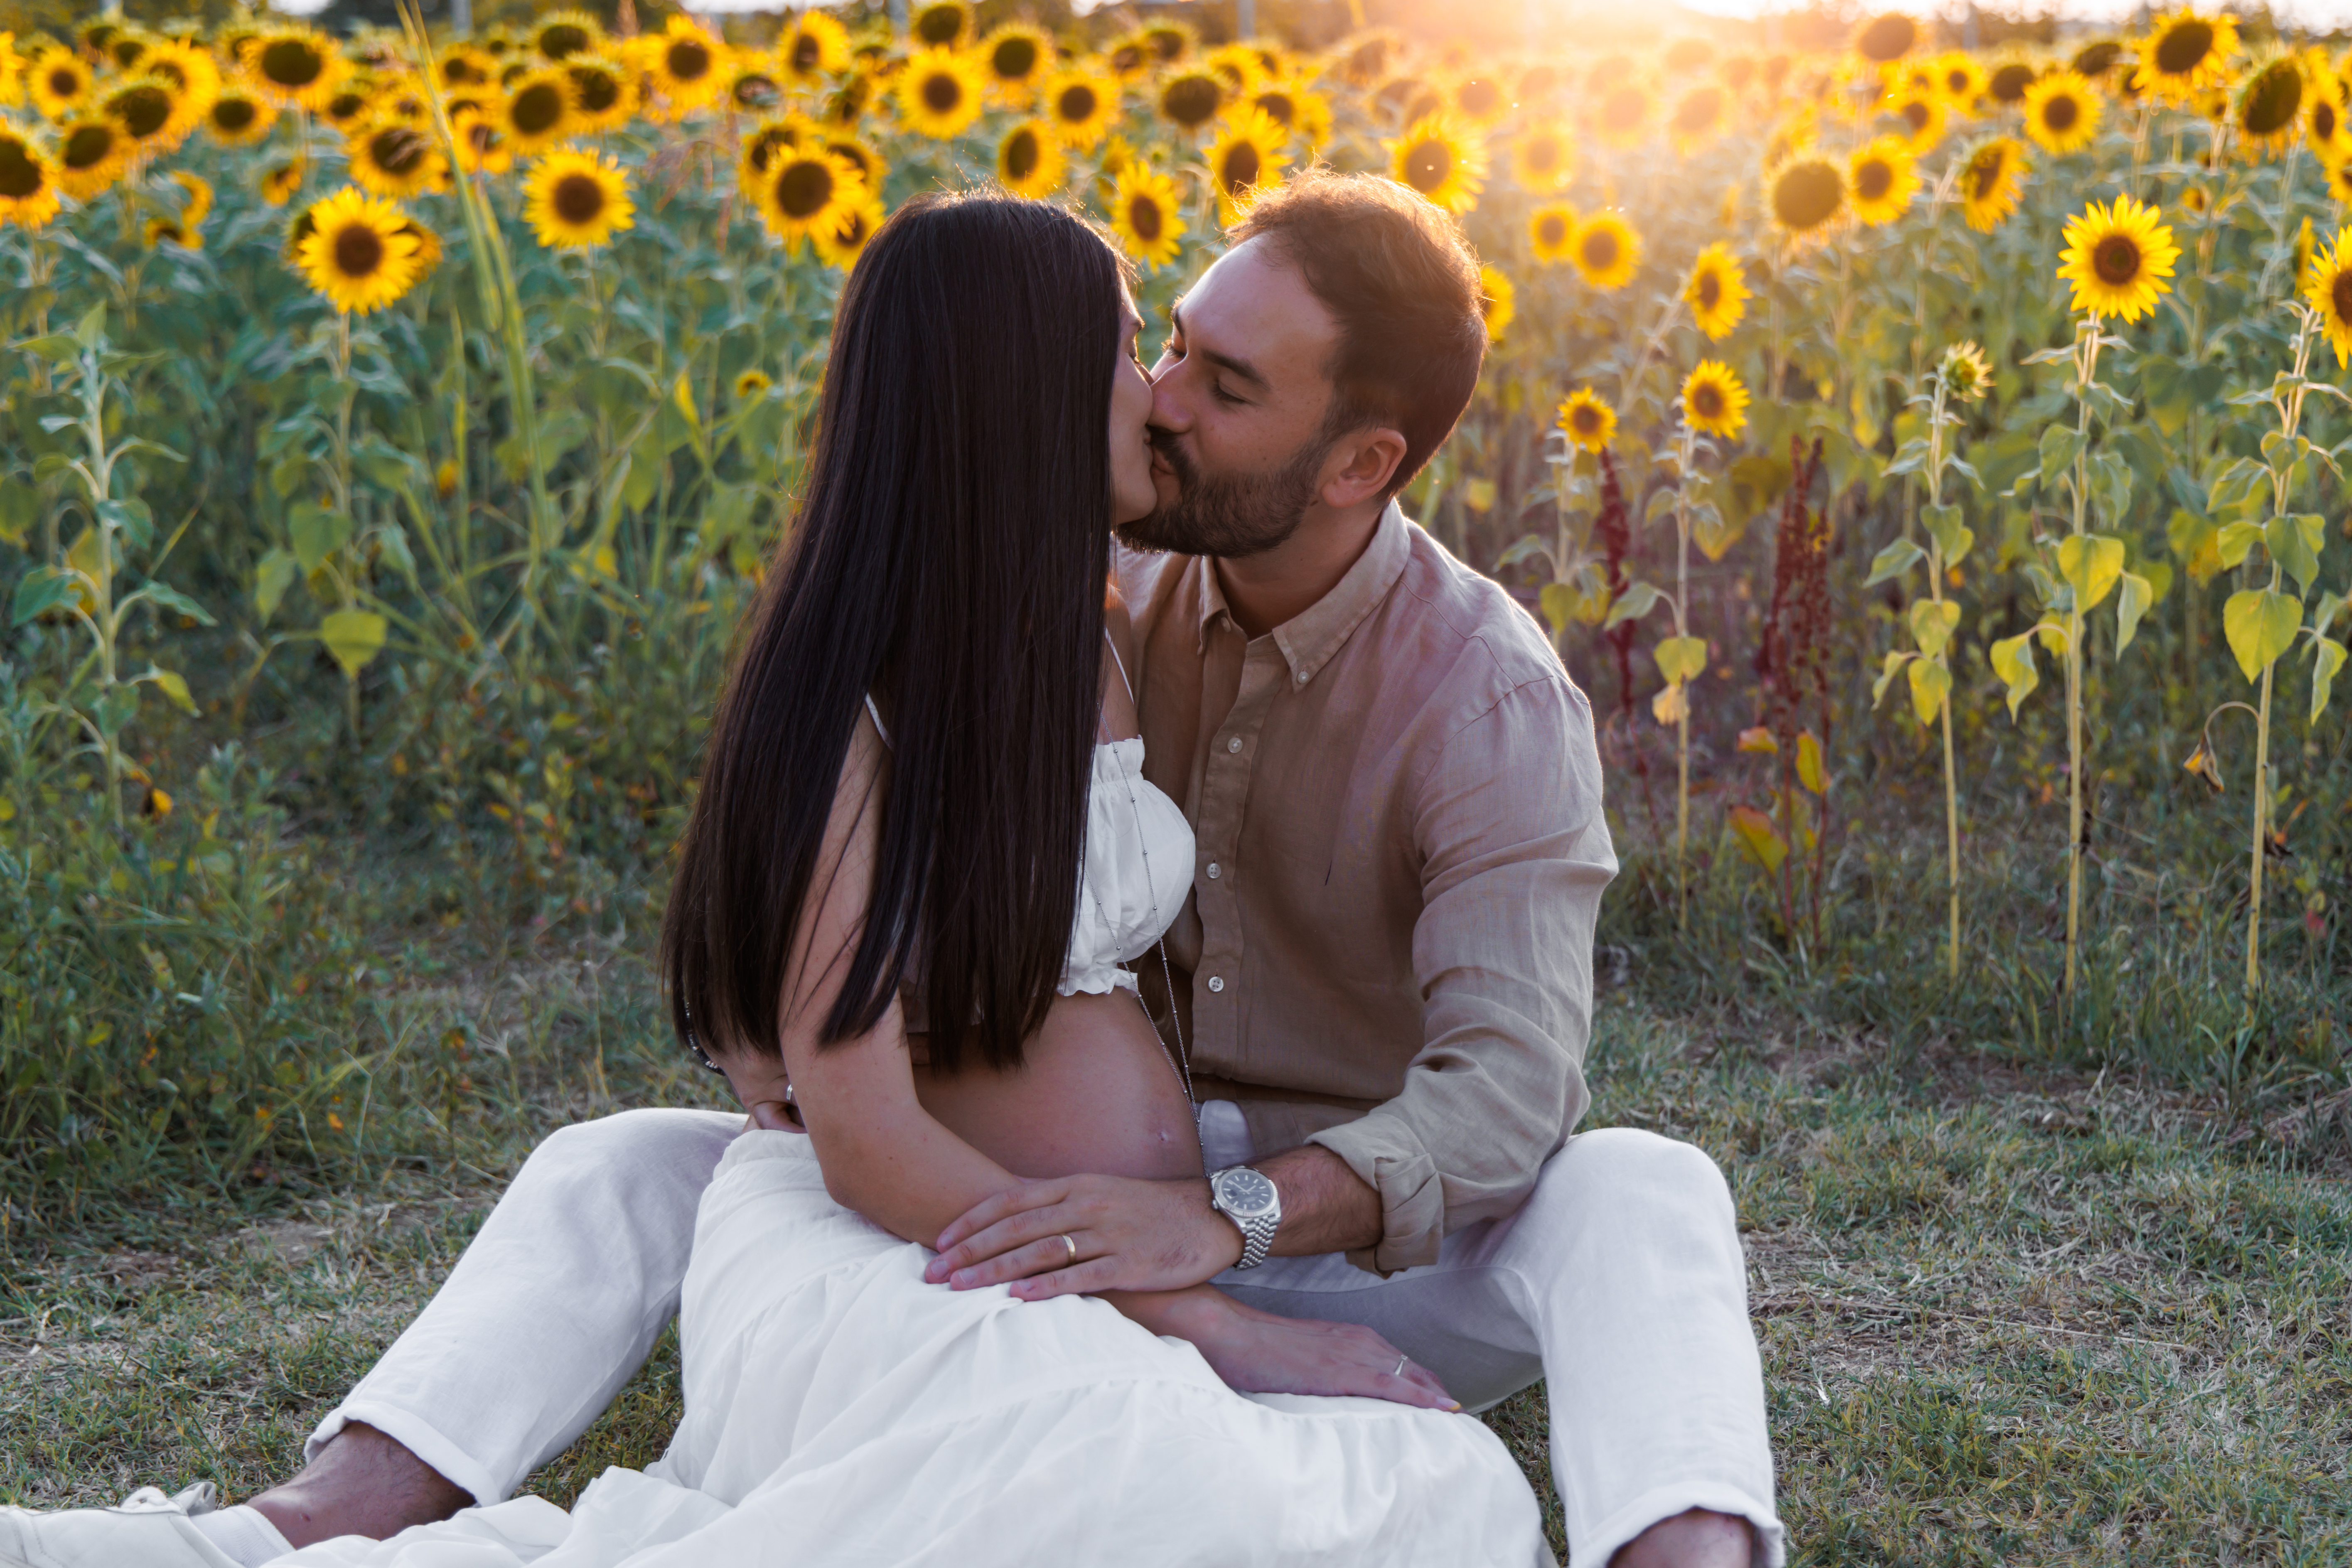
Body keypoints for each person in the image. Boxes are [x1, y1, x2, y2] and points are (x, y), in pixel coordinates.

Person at [0, 174, 1780, 1568]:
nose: (1163, 399)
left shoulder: (1482, 700)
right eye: (1165, 344)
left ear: (1360, 461)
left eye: (1223, 387)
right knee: (623, 1161)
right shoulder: (1065, 582)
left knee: (1643, 1188)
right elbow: (844, 830)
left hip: (1319, 1238)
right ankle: (318, 1514)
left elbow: (1506, 1093)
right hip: (999, 1196)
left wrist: (1227, 1225)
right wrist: (783, 1034)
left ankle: (1681, 1549)